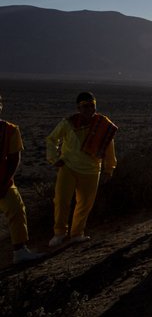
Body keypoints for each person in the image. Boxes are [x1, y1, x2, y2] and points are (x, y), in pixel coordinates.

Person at [46, 91, 117, 247]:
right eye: (85, 106)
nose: (89, 109)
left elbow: (109, 146)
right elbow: (52, 139)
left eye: (92, 105)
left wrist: (109, 168)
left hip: (91, 170)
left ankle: (77, 233)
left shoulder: (103, 124)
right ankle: (59, 233)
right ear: (78, 108)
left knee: (85, 204)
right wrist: (54, 159)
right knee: (61, 200)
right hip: (68, 167)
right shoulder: (68, 123)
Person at [0, 94, 44, 264]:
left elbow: (14, 158)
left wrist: (4, 183)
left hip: (3, 183)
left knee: (17, 210)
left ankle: (19, 251)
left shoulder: (10, 130)